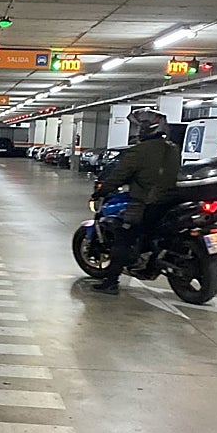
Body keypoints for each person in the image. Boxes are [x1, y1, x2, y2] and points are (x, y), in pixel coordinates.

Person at [91, 109, 181, 295]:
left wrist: (101, 191)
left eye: (139, 128)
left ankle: (111, 282)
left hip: (145, 202)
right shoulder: (173, 149)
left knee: (123, 238)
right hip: (170, 201)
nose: (137, 131)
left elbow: (120, 175)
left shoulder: (138, 151)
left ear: (145, 130)